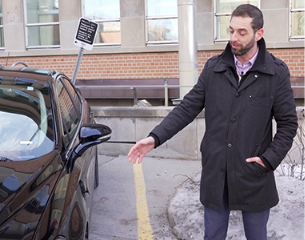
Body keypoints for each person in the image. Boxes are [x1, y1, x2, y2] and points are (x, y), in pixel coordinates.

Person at [128, 4, 298, 240]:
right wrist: (155, 137)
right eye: (231, 31)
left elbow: (288, 124)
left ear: (259, 34)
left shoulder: (276, 72)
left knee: (257, 236)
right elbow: (187, 108)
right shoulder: (214, 68)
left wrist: (267, 161)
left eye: (241, 32)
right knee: (213, 236)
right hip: (216, 173)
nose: (233, 38)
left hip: (254, 173)